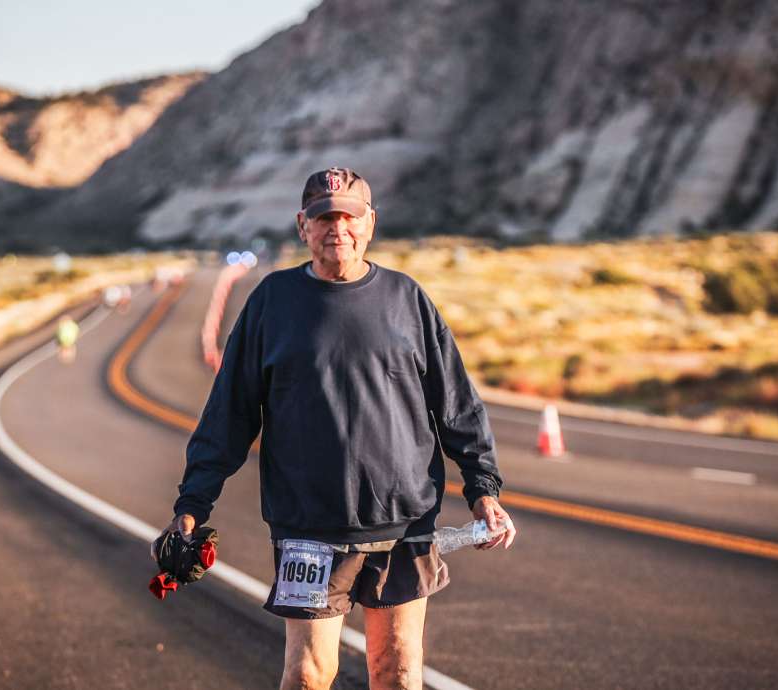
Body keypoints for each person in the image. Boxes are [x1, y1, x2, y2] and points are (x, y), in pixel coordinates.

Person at [165, 167, 515, 690]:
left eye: (350, 217)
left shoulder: (407, 300)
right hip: (308, 529)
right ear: (303, 225)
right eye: (325, 217)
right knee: (308, 674)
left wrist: (484, 488)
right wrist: (192, 507)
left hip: (404, 525)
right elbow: (229, 415)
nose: (338, 228)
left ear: (369, 223)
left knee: (395, 673)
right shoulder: (272, 302)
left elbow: (457, 406)